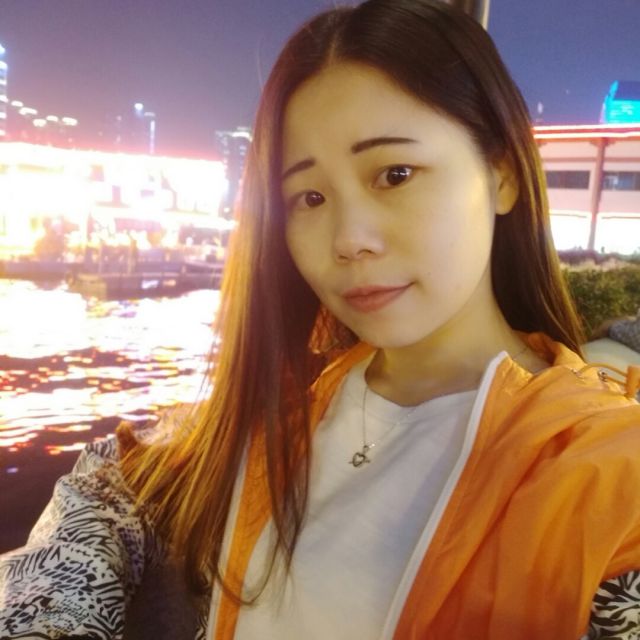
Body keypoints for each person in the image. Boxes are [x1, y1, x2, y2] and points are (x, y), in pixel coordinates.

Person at [2, 1, 640, 638]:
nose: (349, 239)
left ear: (501, 173)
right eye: (309, 197)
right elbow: (114, 482)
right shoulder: (284, 410)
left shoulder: (602, 471)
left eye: (395, 174)